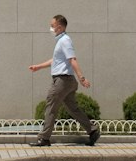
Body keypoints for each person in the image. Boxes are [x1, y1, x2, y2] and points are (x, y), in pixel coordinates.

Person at [29, 15, 100, 147]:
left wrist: (82, 78)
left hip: (62, 80)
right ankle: (92, 130)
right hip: (66, 80)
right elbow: (55, 60)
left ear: (60, 27)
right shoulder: (61, 41)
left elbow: (72, 59)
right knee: (73, 109)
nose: (51, 28)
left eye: (52, 25)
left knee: (51, 105)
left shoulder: (65, 41)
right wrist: (38, 67)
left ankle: (44, 138)